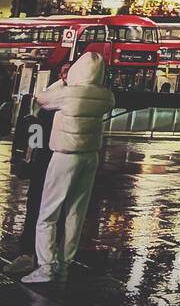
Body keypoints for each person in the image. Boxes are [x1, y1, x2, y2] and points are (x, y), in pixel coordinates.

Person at [22, 53, 115, 284]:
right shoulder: (105, 96)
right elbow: (111, 101)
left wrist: (63, 81)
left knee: (48, 213)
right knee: (76, 213)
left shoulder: (67, 93)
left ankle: (46, 266)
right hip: (90, 157)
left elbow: (42, 99)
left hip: (65, 156)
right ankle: (64, 266)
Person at [5, 66, 67, 277]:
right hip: (44, 160)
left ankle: (46, 254)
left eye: (71, 70)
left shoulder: (65, 98)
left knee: (56, 211)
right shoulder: (50, 98)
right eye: (64, 71)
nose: (66, 75)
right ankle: (29, 252)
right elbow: (36, 129)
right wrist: (30, 158)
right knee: (36, 207)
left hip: (61, 161)